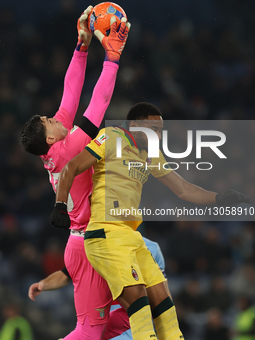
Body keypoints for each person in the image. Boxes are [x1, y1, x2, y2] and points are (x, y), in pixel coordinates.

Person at [51, 102, 249, 340]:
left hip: (130, 236)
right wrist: (60, 205)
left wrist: (219, 198)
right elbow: (71, 166)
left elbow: (183, 189)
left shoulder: (150, 153)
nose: (157, 134)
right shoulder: (111, 136)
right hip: (105, 233)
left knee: (164, 303)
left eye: (160, 129)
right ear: (134, 125)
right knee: (139, 301)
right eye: (153, 128)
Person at [21, 5, 131, 339]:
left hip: (99, 239)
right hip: (86, 244)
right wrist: (111, 59)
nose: (55, 116)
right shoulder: (69, 147)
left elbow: (70, 93)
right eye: (49, 120)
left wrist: (81, 46)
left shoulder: (55, 143)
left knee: (131, 316)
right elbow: (97, 103)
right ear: (51, 136)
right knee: (89, 329)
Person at [28, 236, 167, 340]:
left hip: (133, 331)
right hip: (100, 325)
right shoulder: (94, 244)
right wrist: (44, 284)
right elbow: (67, 274)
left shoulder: (151, 249)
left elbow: (160, 295)